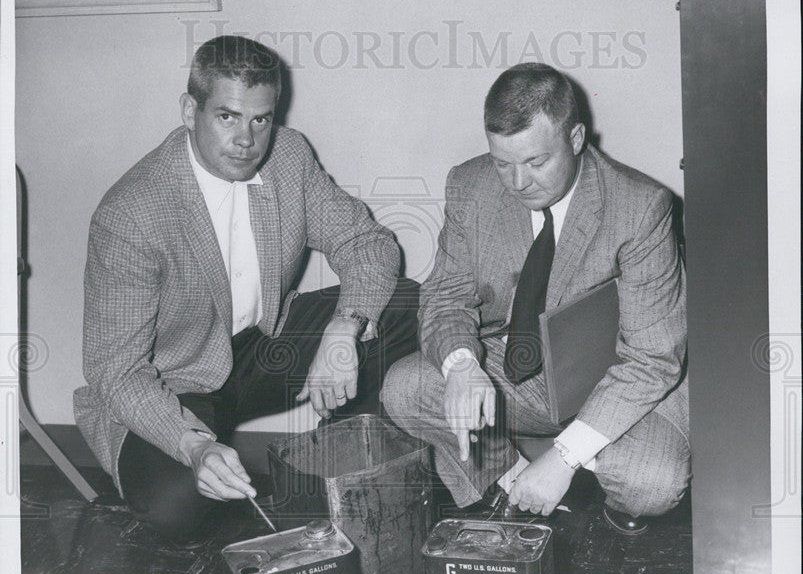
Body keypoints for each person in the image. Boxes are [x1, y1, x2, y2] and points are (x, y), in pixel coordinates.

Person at [75, 35, 418, 544]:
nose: (247, 140)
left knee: (408, 303)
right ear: (190, 111)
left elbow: (368, 244)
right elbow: (116, 371)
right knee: (177, 506)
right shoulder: (131, 215)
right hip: (175, 383)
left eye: (261, 119)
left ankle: (344, 464)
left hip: (261, 351)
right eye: (228, 117)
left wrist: (345, 331)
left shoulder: (289, 157)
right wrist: (192, 447)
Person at [381, 63, 689, 536]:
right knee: (405, 388)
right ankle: (510, 484)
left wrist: (563, 457)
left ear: (577, 137)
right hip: (526, 367)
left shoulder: (641, 207)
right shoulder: (470, 186)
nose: (518, 182)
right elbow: (445, 298)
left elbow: (653, 359)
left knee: (649, 485)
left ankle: (576, 468)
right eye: (503, 163)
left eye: (536, 162)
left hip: (623, 375)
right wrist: (462, 366)